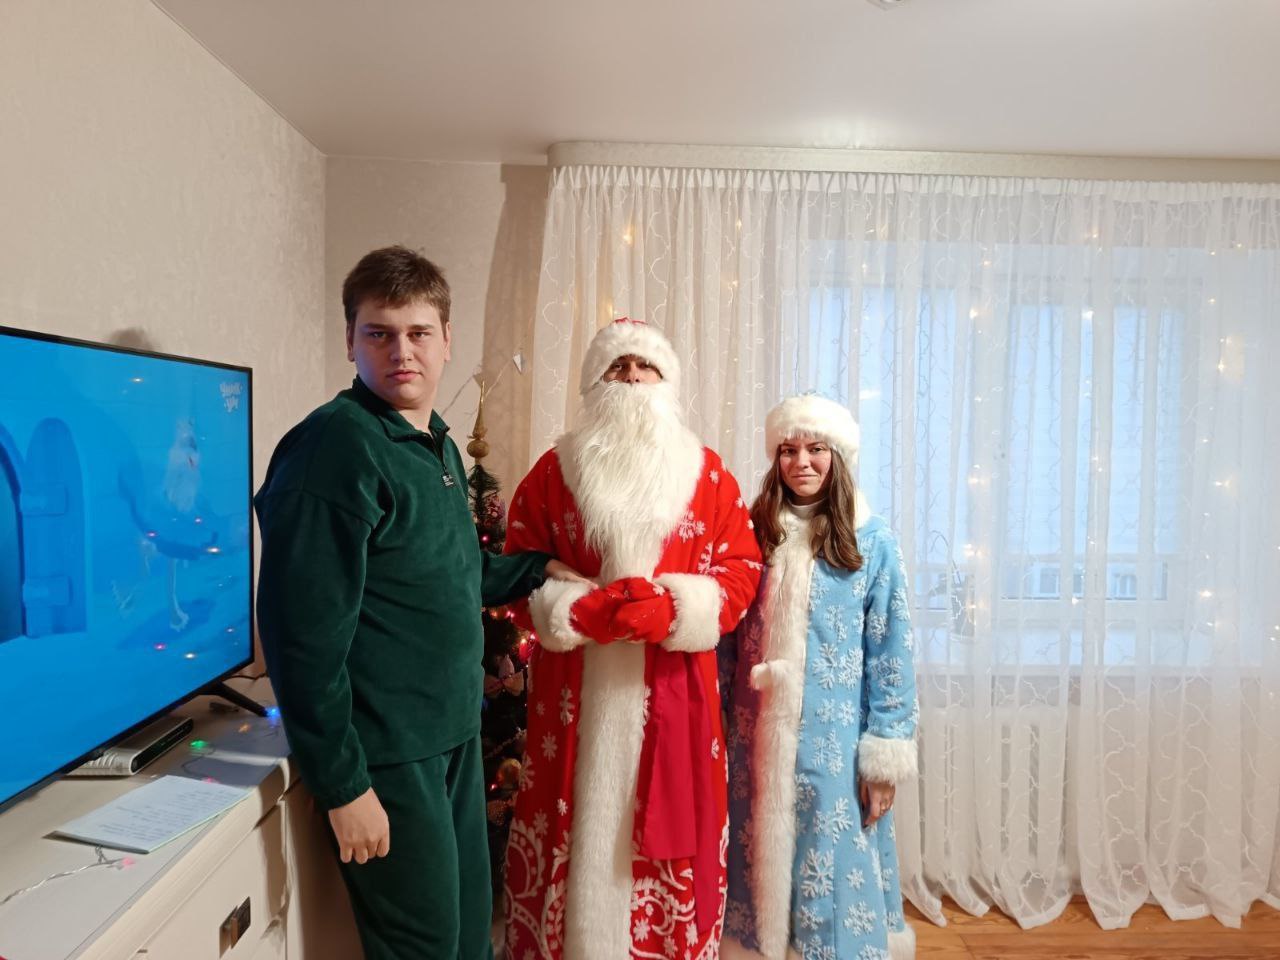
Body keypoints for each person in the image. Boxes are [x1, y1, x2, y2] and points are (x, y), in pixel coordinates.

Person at [254, 245, 579, 960]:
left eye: (418, 333)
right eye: (379, 333)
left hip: (454, 739)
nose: (402, 352)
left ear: (446, 340)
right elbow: (300, 640)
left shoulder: (432, 443)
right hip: (389, 757)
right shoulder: (335, 448)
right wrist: (346, 788)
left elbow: (452, 572)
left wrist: (534, 569)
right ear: (350, 340)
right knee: (424, 948)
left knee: (467, 938)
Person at [500, 318, 763, 960]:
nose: (633, 379)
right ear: (593, 382)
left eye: (647, 367)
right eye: (618, 367)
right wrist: (572, 610)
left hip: (674, 692)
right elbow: (514, 567)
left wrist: (675, 608)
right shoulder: (553, 472)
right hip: (574, 700)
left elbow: (742, 568)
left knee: (667, 825)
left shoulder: (708, 474)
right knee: (570, 818)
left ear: (667, 382)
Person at [719, 394, 919, 960]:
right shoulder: (752, 533)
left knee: (829, 868)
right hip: (753, 741)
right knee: (757, 861)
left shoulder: (871, 541)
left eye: (815, 449)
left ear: (838, 456)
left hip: (835, 748)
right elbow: (727, 639)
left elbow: (892, 654)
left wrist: (883, 759)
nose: (801, 462)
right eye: (788, 450)